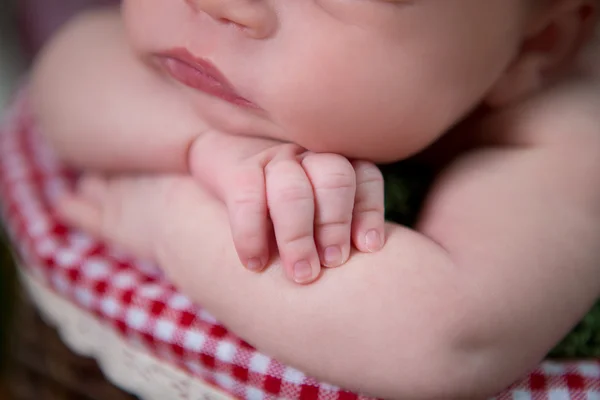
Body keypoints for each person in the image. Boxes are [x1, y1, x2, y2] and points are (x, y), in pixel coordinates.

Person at [25, 0, 600, 398]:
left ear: (542, 40)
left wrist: (167, 215)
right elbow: (68, 69)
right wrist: (207, 148)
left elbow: (443, 335)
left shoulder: (572, 133)